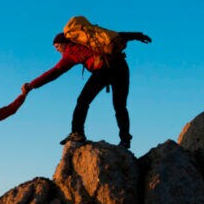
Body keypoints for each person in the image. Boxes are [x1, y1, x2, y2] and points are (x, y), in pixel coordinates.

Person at [22, 20, 151, 149]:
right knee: (120, 106)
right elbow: (117, 35)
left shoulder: (70, 51)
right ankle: (125, 140)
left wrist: (31, 85)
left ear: (63, 43)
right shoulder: (90, 42)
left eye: (57, 47)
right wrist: (139, 35)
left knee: (83, 100)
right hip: (121, 66)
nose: (57, 51)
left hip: (103, 70)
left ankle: (77, 132)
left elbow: (55, 72)